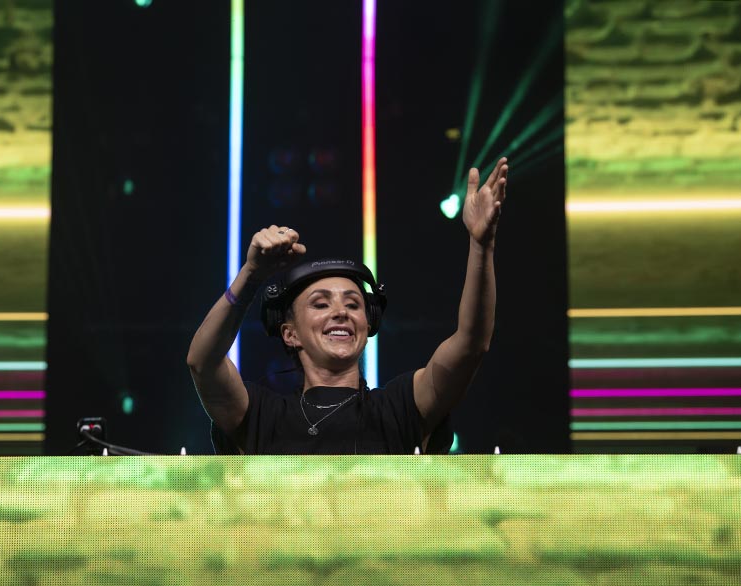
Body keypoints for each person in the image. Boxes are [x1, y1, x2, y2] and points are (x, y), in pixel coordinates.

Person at [187, 157, 508, 454]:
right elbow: (203, 362)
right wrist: (251, 275)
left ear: (369, 322)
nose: (340, 312)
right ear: (290, 334)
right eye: (320, 304)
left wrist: (482, 246)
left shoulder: (401, 406)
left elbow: (471, 343)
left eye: (353, 304)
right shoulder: (262, 414)